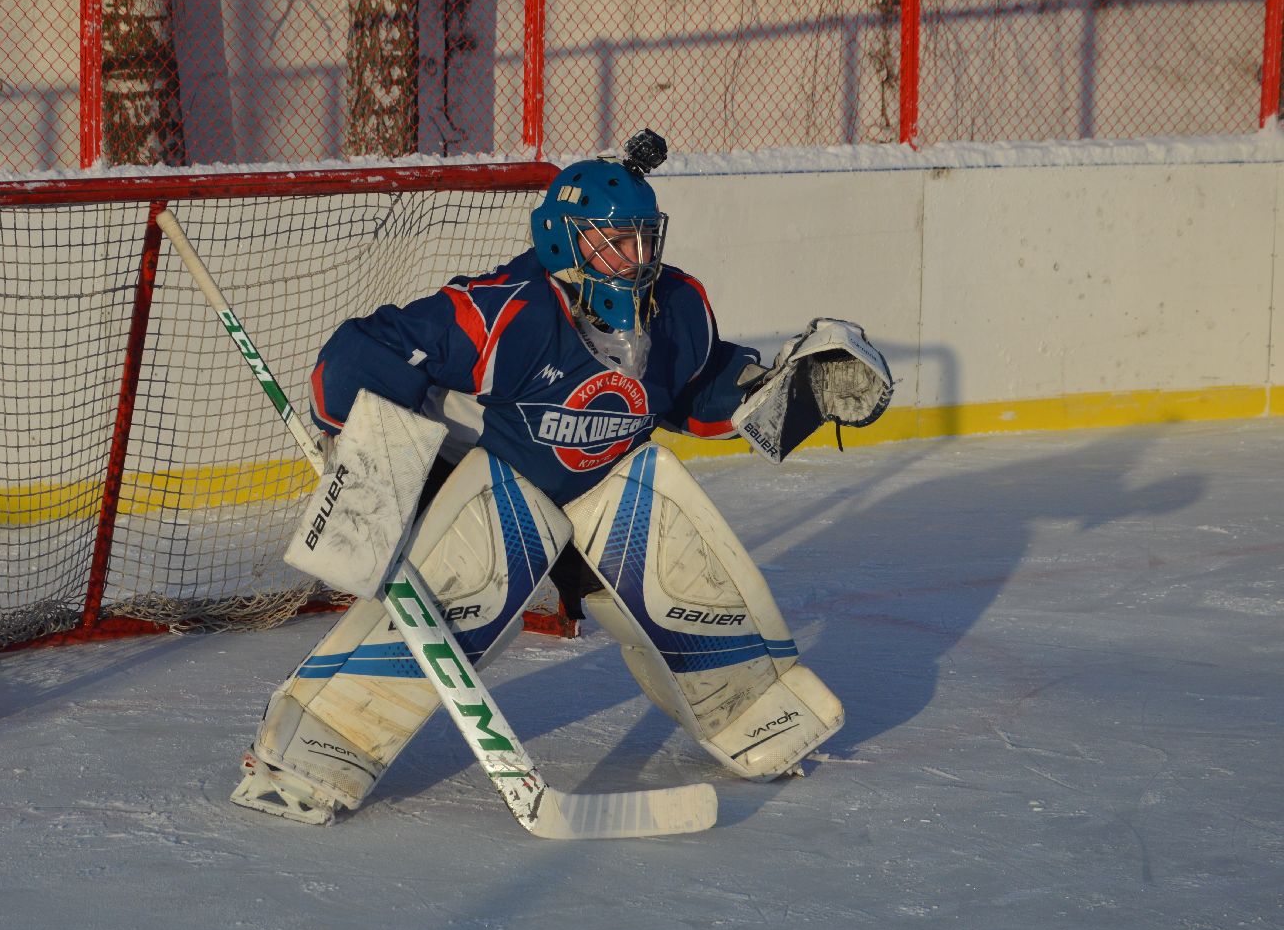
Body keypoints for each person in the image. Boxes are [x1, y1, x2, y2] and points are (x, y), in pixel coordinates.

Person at [232, 131, 894, 826]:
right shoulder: (505, 312)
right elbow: (367, 349)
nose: (634, 260)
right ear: (562, 241)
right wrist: (370, 455)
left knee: (678, 561)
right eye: (613, 242)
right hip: (503, 486)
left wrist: (787, 392)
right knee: (462, 596)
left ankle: (755, 715)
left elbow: (692, 391)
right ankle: (309, 755)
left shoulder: (678, 312)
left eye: (642, 240)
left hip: (607, 491)